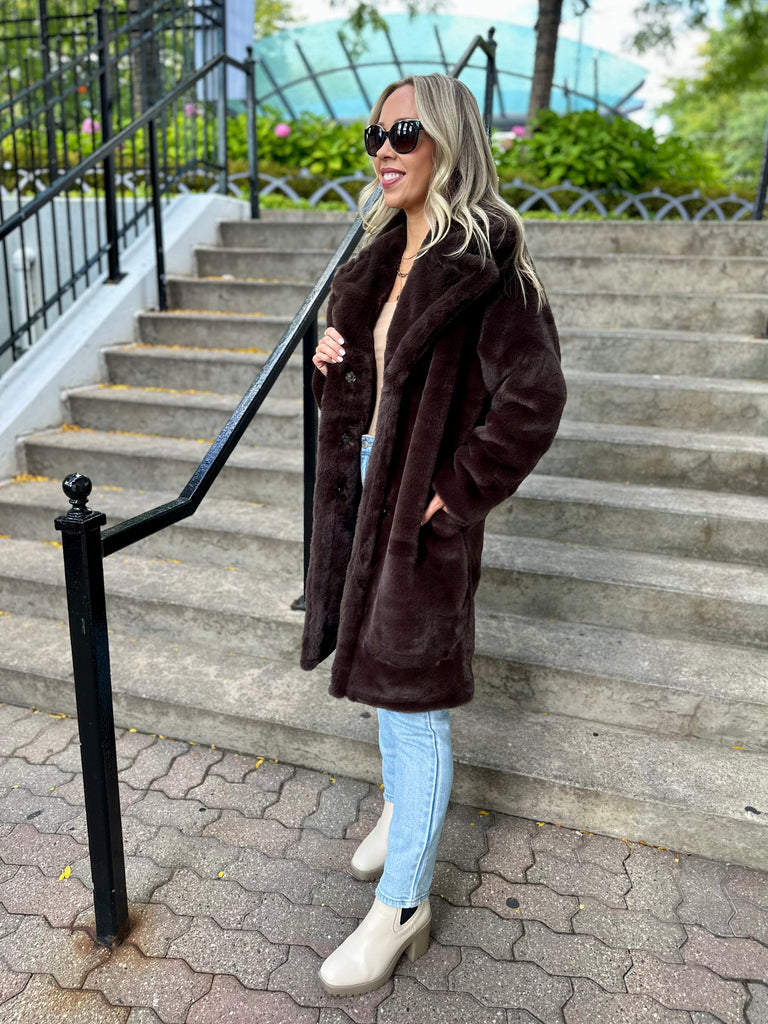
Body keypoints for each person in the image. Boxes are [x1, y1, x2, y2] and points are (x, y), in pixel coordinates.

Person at [300, 73, 567, 997]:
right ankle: (398, 815)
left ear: (448, 140)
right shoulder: (380, 253)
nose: (384, 149)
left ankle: (404, 907)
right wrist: (332, 363)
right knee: (384, 683)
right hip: (362, 492)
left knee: (414, 704)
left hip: (421, 506)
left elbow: (534, 400)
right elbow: (365, 388)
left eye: (404, 132)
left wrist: (452, 494)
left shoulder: (488, 265)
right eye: (374, 135)